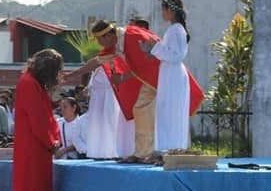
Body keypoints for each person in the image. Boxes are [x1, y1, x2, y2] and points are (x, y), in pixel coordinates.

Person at [69, 20, 203, 163]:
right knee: (144, 111)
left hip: (162, 78)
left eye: (98, 40)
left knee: (146, 110)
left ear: (107, 36)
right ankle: (147, 152)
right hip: (154, 78)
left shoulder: (132, 37)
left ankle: (152, 153)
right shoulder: (117, 41)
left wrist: (122, 77)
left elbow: (147, 64)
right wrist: (73, 75)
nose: (99, 44)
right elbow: (97, 61)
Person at [12, 49, 62, 191]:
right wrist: (52, 141)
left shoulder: (30, 82)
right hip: (34, 147)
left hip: (33, 146)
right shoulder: (30, 84)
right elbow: (39, 119)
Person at [143, 0, 192, 152]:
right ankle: (166, 148)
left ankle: (172, 149)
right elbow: (167, 52)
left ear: (170, 11)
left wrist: (155, 46)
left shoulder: (176, 30)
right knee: (166, 111)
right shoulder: (174, 30)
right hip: (169, 74)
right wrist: (151, 49)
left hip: (174, 76)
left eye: (163, 10)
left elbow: (176, 55)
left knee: (172, 112)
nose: (162, 13)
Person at [84, 65, 135, 159]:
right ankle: (98, 151)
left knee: (110, 120)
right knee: (97, 122)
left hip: (109, 89)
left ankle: (112, 151)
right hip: (97, 92)